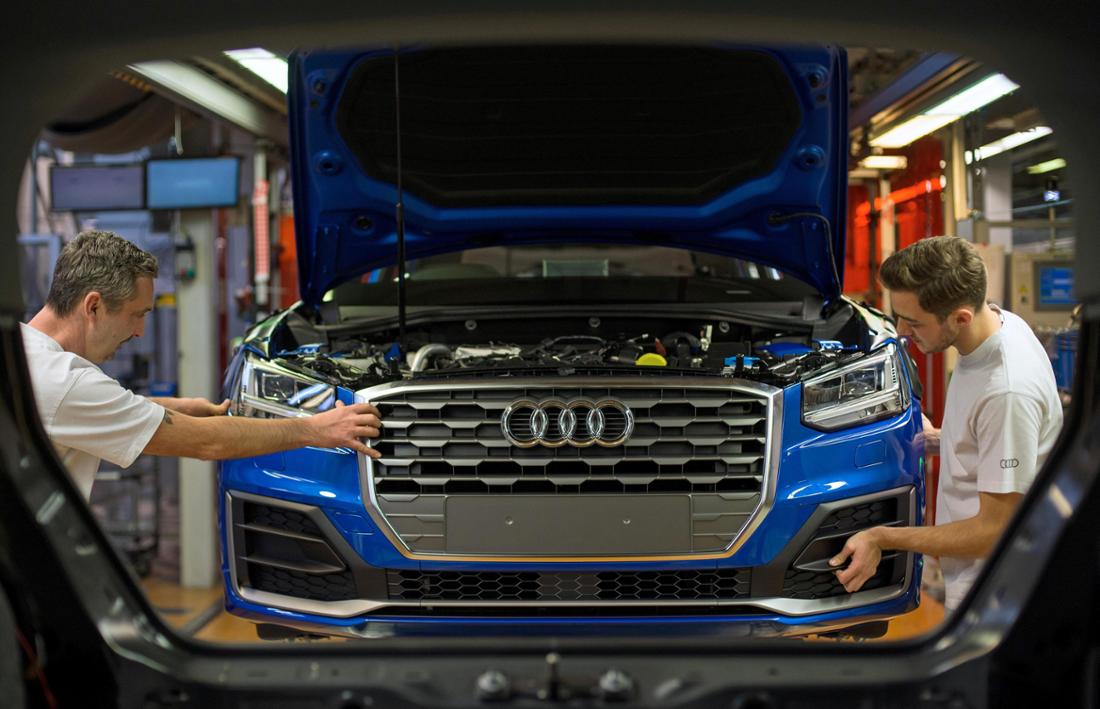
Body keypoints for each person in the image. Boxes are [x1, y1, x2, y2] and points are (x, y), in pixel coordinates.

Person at [21, 230, 383, 501]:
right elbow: (207, 442)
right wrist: (314, 429)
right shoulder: (64, 382)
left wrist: (172, 408)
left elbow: (90, 407)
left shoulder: (28, 355)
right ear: (94, 306)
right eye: (137, 314)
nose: (139, 331)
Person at [829, 236, 1062, 612]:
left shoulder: (1007, 389)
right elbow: (991, 443)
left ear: (961, 318)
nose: (901, 331)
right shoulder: (1002, 325)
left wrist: (883, 537)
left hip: (996, 593)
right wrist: (938, 439)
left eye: (914, 322)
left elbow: (994, 531)